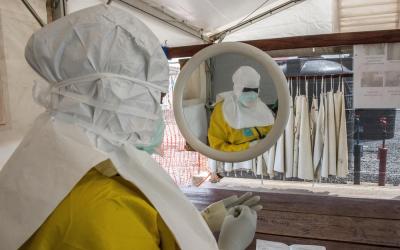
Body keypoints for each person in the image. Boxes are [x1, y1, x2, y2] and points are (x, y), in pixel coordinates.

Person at [0, 5, 261, 250]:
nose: (159, 113)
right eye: (156, 99)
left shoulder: (48, 166)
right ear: (117, 97)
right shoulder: (104, 207)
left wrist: (198, 222)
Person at [208, 66, 275, 182]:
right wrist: (248, 147)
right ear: (238, 89)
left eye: (255, 90)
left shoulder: (261, 108)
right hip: (232, 169)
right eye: (246, 90)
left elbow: (272, 134)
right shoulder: (222, 111)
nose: (252, 94)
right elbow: (217, 147)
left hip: (262, 169)